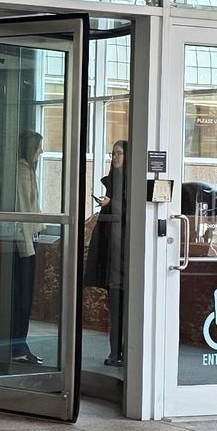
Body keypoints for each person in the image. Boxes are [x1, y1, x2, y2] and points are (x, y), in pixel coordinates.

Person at [84, 138, 128, 366]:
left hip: (126, 251)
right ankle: (115, 352)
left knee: (126, 304)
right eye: (113, 153)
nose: (115, 157)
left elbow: (132, 210)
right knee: (115, 302)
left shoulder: (130, 181)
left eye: (119, 153)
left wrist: (110, 203)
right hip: (112, 249)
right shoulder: (112, 180)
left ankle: (125, 352)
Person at [9, 128, 42, 366]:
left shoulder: (27, 170)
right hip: (24, 240)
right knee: (22, 297)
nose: (42, 151)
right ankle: (17, 347)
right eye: (39, 147)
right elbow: (23, 209)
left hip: (29, 237)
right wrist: (27, 244)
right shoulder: (22, 171)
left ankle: (20, 345)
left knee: (24, 297)